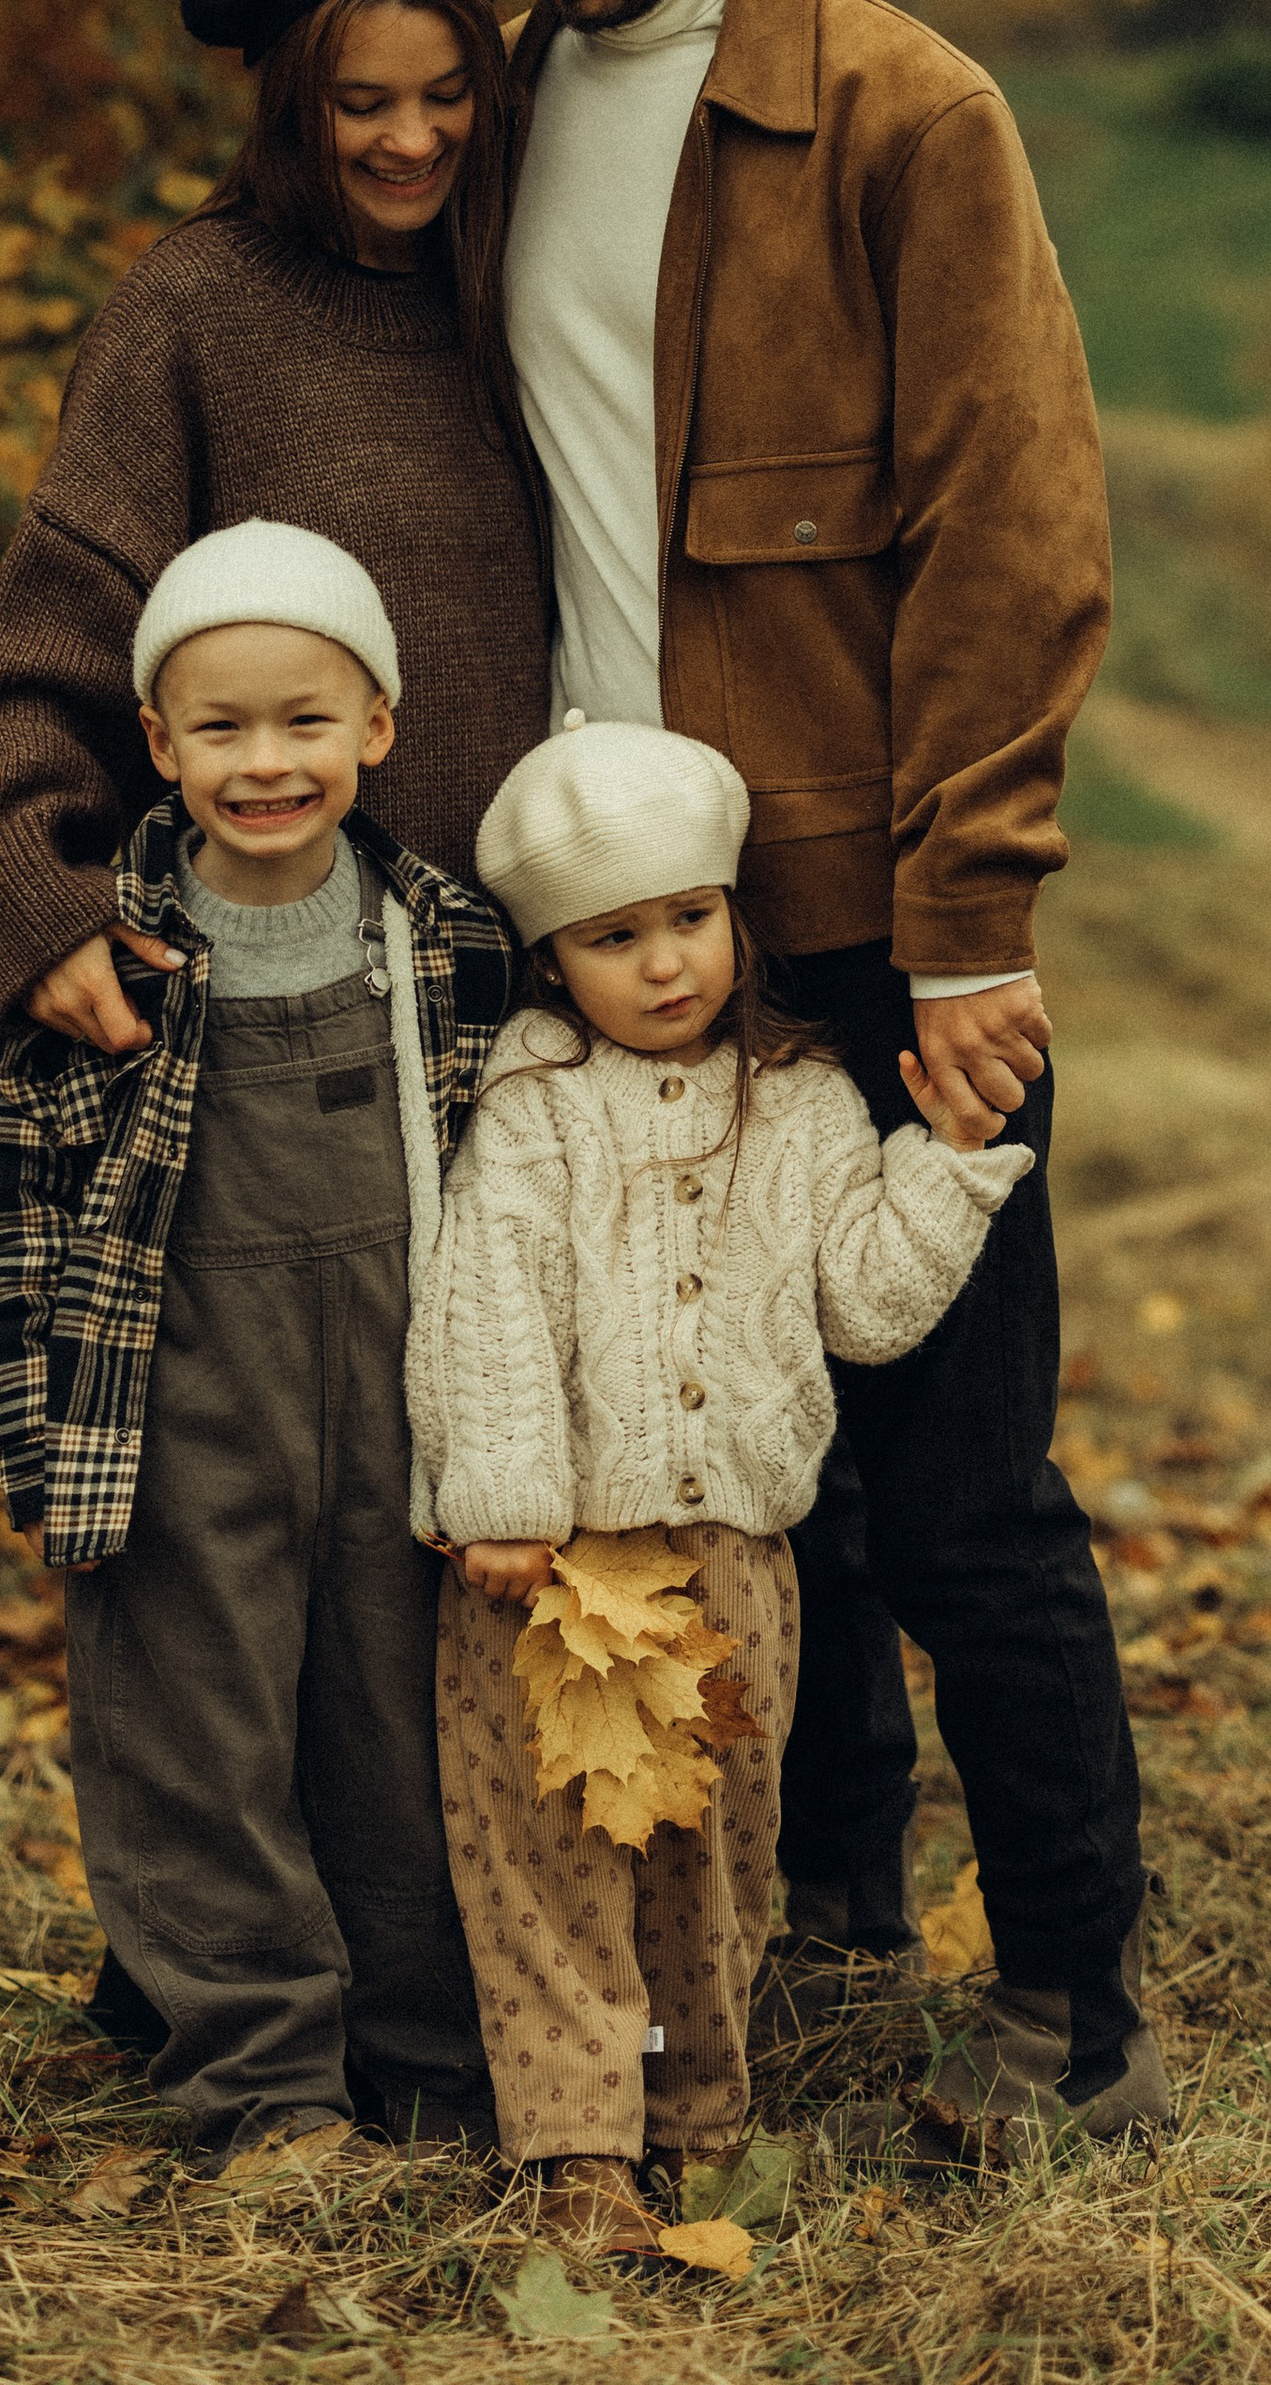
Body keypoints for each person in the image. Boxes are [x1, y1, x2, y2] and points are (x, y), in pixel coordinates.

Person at [464, 0, 1167, 2150]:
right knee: (735, 1452)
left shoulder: (894, 110)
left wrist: (973, 917)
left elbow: (1017, 527)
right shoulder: (505, 97)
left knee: (960, 1476)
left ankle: (1076, 2006)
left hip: (871, 910)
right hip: (607, 915)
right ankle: (837, 1913)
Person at [406, 716, 1027, 2255]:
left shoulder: (806, 1104)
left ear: (735, 913)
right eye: (615, 938)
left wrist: (942, 1164)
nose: (665, 963)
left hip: (738, 1555)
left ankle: (691, 2112)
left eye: (689, 918)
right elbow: (487, 1290)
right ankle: (576, 2146)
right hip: (558, 1559)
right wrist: (502, 1495)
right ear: (556, 961)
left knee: (714, 1853)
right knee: (552, 1852)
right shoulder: (536, 1103)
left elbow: (868, 1308)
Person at [0, 521, 519, 2168]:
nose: (265, 763)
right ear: (158, 742)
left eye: (304, 722)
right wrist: (25, 1425)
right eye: (221, 729)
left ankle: (424, 2061)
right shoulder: (90, 951)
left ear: (379, 727)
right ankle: (264, 2087)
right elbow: (15, 1208)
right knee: (196, 1743)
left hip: (397, 1401)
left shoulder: (446, 942)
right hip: (174, 1403)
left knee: (396, 1736)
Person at [0, 0, 550, 1055]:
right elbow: (38, 662)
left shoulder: (524, 290)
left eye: (446, 95)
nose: (412, 140)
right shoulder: (191, 316)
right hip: (282, 1008)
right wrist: (29, 899)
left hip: (534, 1001)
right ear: (287, 101)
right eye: (361, 104)